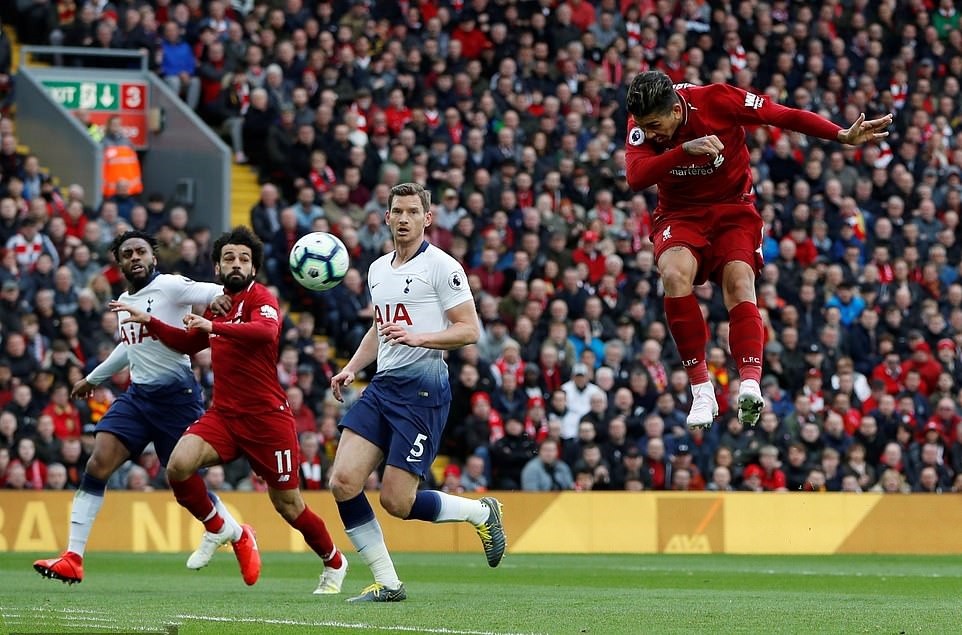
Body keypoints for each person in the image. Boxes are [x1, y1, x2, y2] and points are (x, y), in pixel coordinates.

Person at [624, 70, 892, 429]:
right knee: (673, 275)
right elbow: (636, 176)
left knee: (739, 283)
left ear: (675, 111)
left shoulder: (716, 100)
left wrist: (839, 134)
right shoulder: (642, 120)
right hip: (679, 213)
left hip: (733, 209)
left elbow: (780, 114)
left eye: (655, 124)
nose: (650, 133)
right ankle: (701, 388)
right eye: (644, 126)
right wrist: (683, 151)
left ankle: (749, 382)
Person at [112, 226, 347, 594]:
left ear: (253, 267)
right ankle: (218, 528)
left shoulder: (260, 298)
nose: (236, 264)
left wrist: (214, 328)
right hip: (224, 415)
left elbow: (265, 334)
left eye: (244, 259)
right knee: (177, 465)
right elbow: (189, 344)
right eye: (229, 259)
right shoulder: (219, 305)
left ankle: (334, 561)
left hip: (267, 419)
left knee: (288, 505)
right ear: (218, 268)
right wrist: (152, 323)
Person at [33, 230, 258, 585]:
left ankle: (234, 532)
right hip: (138, 397)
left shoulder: (170, 286)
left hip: (177, 398)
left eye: (141, 252)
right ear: (120, 263)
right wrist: (94, 378)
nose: (135, 258)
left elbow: (215, 289)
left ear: (153, 257)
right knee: (99, 461)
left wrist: (219, 299)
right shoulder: (124, 301)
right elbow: (128, 348)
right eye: (127, 254)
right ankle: (73, 557)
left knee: (183, 483)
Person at [328, 182, 506, 602]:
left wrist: (419, 337)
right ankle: (387, 583)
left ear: (427, 218)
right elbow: (379, 327)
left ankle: (481, 511)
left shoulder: (443, 267)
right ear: (386, 217)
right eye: (397, 212)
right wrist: (352, 368)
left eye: (412, 212)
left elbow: (469, 330)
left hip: (423, 395)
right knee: (343, 481)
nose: (404, 219)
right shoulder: (377, 269)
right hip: (383, 387)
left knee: (396, 501)